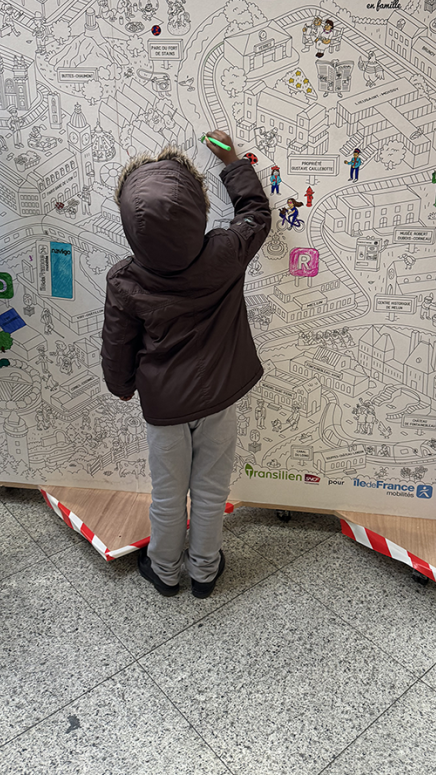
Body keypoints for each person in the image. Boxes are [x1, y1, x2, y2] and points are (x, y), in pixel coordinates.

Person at [101, 132, 271, 599]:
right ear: (197, 213)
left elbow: (118, 344)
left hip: (163, 406)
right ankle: (204, 572)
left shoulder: (125, 279)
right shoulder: (224, 254)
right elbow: (256, 216)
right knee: (212, 492)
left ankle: (164, 572)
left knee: (168, 496)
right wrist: (233, 163)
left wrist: (121, 386)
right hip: (219, 397)